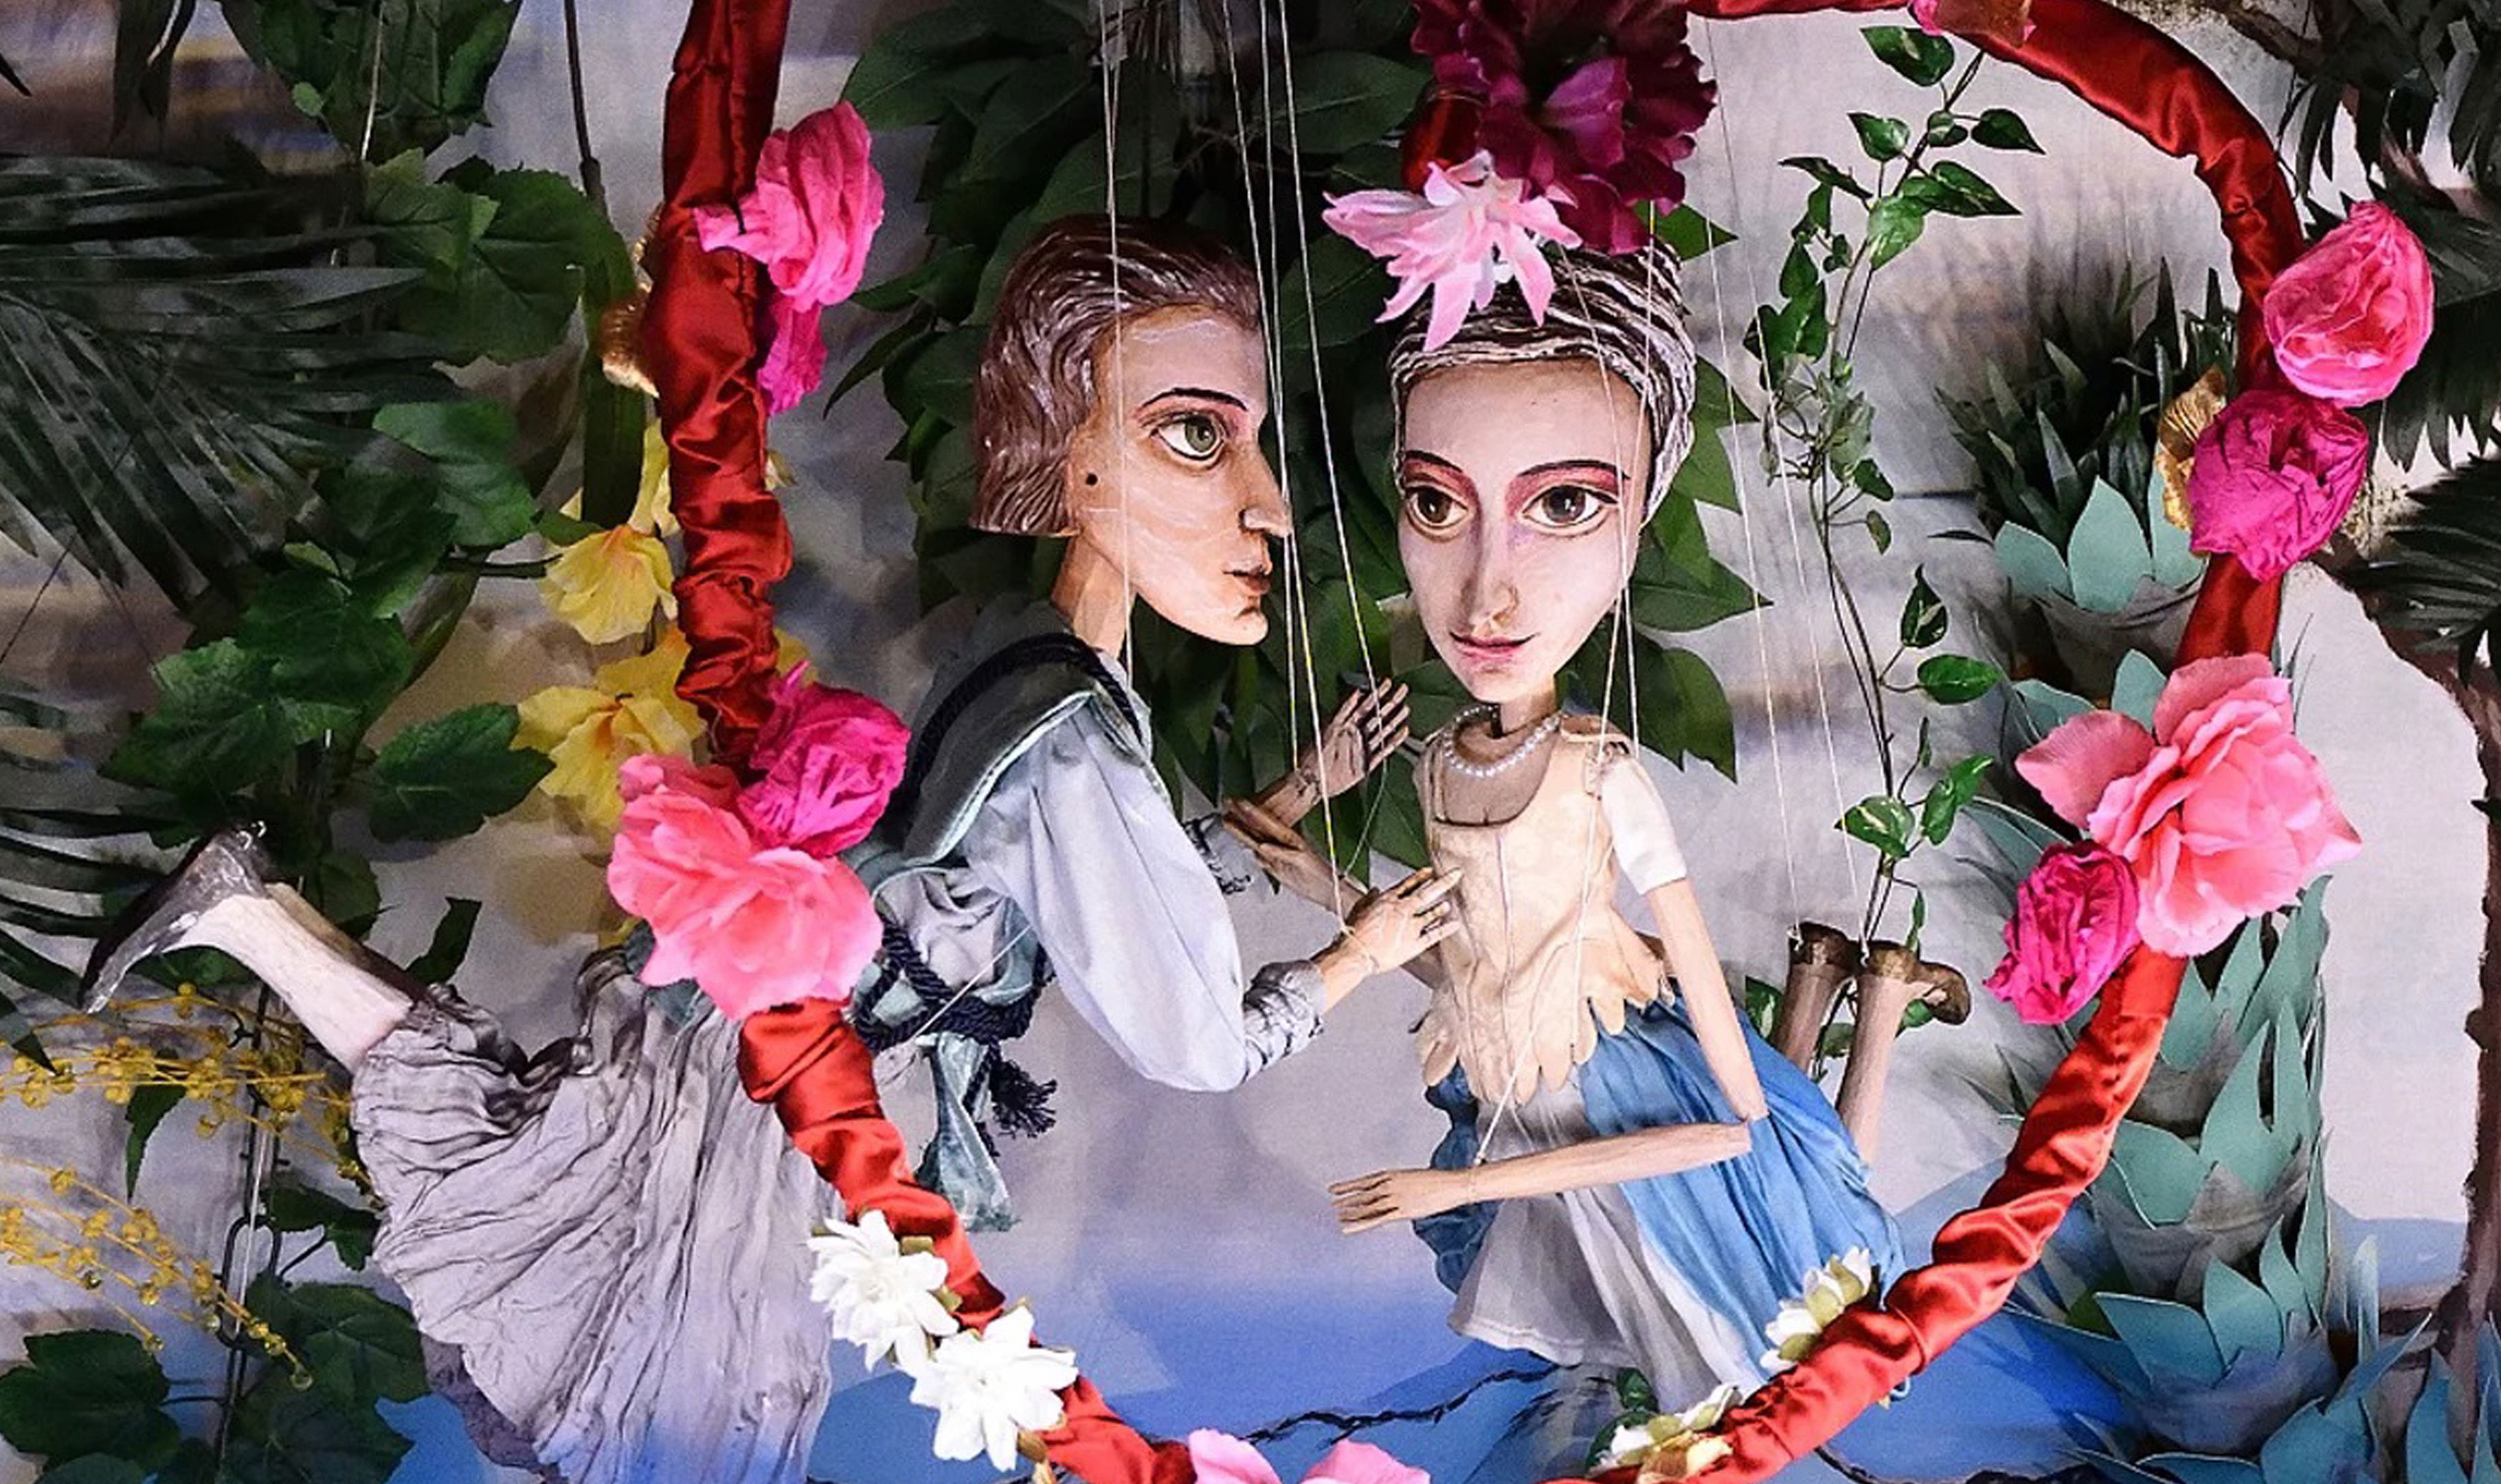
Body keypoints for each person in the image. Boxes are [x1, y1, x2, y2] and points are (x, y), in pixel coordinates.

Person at [79, 214, 1455, 1484]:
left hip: (782, 1036)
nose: (1269, 508)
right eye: (1199, 437)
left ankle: (248, 909)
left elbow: (1057, 882)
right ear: (1077, 458)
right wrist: (1357, 955)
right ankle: (246, 910)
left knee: (574, 1249)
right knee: (667, 1387)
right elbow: (1199, 1044)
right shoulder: (1068, 729)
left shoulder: (1044, 662)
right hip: (785, 1074)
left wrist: (1293, 796)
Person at [1234, 243, 1903, 1406]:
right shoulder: (1443, 760)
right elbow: (1470, 963)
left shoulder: (1603, 777)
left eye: (1564, 505)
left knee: (1752, 1344)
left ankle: (1869, 1012)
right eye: (1436, 504)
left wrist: (1460, 1190)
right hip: (1518, 1113)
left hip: (1625, 1128)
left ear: (1638, 523)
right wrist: (1325, 890)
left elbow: (1734, 1129)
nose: (1488, 593)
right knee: (1649, 1379)